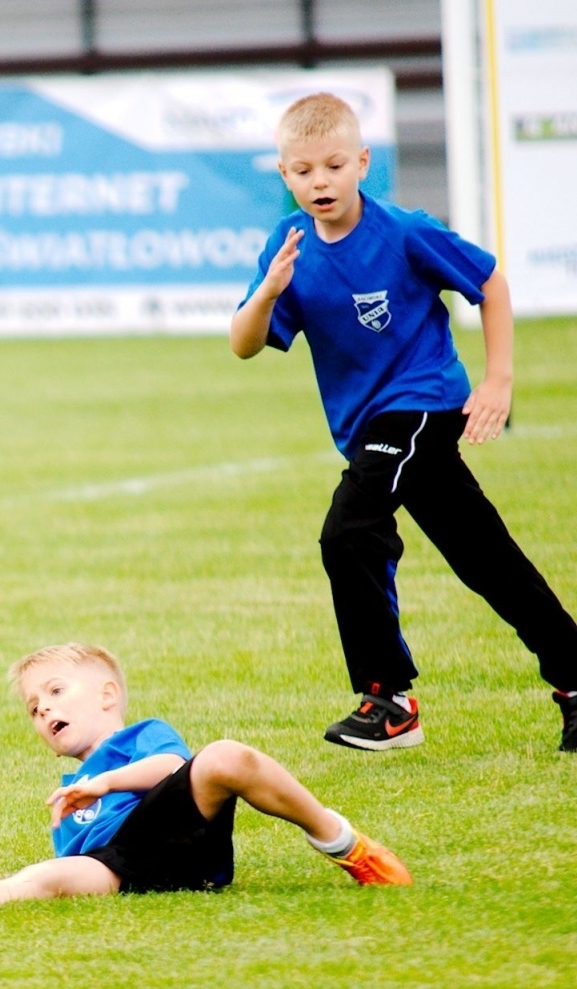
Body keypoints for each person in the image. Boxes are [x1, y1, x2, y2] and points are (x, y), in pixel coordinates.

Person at [229, 91, 577, 753]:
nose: (320, 181)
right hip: (369, 425)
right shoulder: (288, 246)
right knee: (489, 561)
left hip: (421, 404)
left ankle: (388, 699)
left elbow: (491, 281)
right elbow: (244, 343)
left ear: (362, 162)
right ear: (284, 176)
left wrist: (497, 379)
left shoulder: (404, 232)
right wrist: (267, 294)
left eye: (334, 165)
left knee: (348, 530)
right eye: (303, 171)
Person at [0, 643, 409, 910]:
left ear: (106, 695)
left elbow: (172, 769)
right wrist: (77, 815)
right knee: (49, 874)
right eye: (32, 708)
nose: (44, 711)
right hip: (127, 867)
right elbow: (81, 861)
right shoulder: (69, 796)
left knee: (224, 757)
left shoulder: (137, 739)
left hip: (179, 833)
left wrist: (104, 782)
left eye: (54, 692)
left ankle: (342, 842)